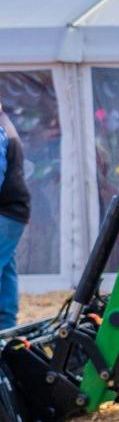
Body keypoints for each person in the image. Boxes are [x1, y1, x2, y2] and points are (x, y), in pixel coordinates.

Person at [0, 98, 29, 331]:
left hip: (6, 211)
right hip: (14, 209)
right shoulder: (5, 125)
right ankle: (7, 328)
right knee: (6, 267)